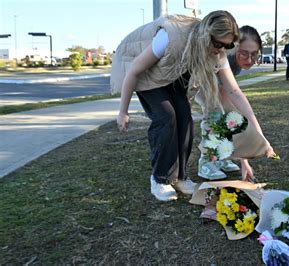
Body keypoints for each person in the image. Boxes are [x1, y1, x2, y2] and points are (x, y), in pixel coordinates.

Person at [110, 11, 275, 201]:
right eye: (219, 44)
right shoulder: (171, 37)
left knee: (185, 118)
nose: (221, 50)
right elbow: (134, 71)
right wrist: (123, 111)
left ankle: (180, 177)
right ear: (206, 36)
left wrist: (260, 137)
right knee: (166, 117)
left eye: (228, 46)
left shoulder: (217, 51)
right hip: (145, 73)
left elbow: (235, 92)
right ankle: (160, 179)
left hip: (171, 72)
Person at [196, 25, 262, 181]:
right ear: (235, 47)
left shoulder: (236, 62)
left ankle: (221, 158)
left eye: (255, 54)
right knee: (215, 117)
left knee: (226, 117)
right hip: (197, 84)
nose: (249, 60)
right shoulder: (226, 58)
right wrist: (244, 161)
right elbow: (228, 103)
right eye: (244, 54)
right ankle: (206, 163)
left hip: (214, 86)